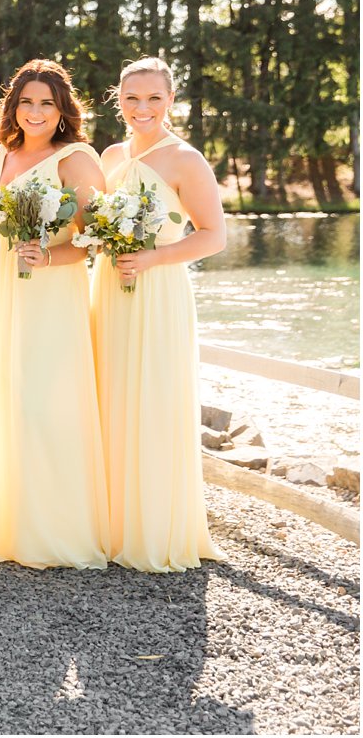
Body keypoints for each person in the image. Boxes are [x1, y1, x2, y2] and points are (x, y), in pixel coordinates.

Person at [0, 59, 109, 569]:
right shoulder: (3, 154)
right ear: (13, 107)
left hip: (51, 294)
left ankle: (56, 529)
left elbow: (99, 237)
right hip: (2, 290)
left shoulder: (75, 159)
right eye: (26, 101)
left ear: (62, 110)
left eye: (46, 103)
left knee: (45, 404)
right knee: (7, 398)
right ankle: (9, 527)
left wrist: (51, 255)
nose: (35, 112)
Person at [93, 56, 225, 572]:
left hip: (158, 289)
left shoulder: (186, 159)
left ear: (170, 100)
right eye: (131, 98)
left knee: (153, 400)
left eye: (153, 98)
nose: (141, 108)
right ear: (118, 100)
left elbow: (214, 235)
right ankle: (110, 525)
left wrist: (151, 257)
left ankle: (154, 529)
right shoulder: (109, 156)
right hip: (109, 287)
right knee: (110, 395)